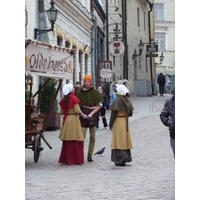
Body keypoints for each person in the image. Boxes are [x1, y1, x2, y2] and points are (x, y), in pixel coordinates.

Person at [76, 74, 102, 162]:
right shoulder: (80, 93)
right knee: (82, 137)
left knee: (92, 137)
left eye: (88, 81)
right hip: (83, 115)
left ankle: (90, 155)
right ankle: (80, 155)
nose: (86, 83)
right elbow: (76, 105)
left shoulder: (95, 92)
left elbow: (99, 105)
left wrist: (92, 113)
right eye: (85, 81)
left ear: (90, 82)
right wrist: (82, 114)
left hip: (92, 115)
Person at [58, 83, 84, 165]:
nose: (73, 89)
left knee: (67, 140)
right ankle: (76, 159)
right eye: (72, 88)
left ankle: (66, 159)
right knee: (76, 139)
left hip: (67, 120)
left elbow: (61, 112)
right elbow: (77, 110)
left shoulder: (64, 99)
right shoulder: (74, 98)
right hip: (74, 120)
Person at [109, 84, 134, 166]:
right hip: (125, 121)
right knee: (124, 139)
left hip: (118, 121)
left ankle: (120, 158)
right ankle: (125, 156)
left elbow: (113, 114)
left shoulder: (117, 100)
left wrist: (110, 124)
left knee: (118, 140)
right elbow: (130, 113)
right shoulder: (127, 100)